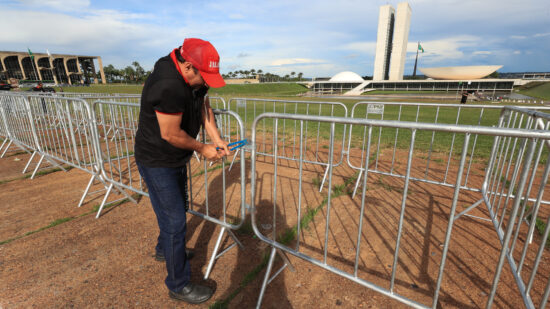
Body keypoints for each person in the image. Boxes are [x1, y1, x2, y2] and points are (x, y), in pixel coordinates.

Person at [134, 38, 230, 304]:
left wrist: (217, 139)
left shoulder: (191, 78)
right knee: (175, 220)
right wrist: (203, 148)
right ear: (188, 67)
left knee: (175, 208)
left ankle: (165, 249)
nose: (205, 82)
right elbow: (170, 133)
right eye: (204, 76)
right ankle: (178, 284)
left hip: (175, 156)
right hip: (157, 158)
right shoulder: (168, 84)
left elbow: (204, 107)